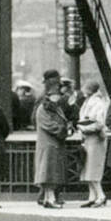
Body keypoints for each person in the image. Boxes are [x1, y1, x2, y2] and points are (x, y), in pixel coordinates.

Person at [34, 70, 70, 208]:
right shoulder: (44, 109)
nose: (58, 97)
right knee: (48, 173)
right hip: (49, 145)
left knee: (50, 173)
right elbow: (49, 125)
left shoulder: (52, 107)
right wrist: (64, 130)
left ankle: (49, 198)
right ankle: (49, 199)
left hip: (52, 145)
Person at [76, 80, 109, 207]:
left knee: (93, 169)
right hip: (88, 139)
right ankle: (93, 196)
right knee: (88, 168)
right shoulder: (88, 101)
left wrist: (84, 128)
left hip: (95, 139)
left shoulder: (97, 103)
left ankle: (101, 196)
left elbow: (99, 123)